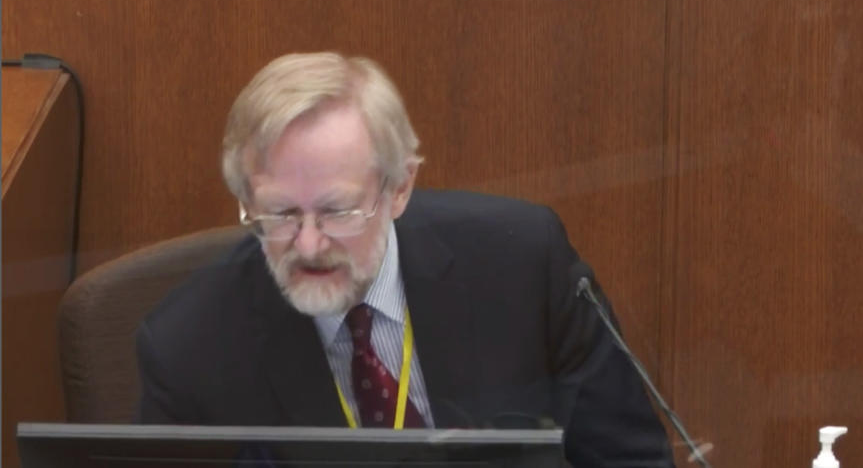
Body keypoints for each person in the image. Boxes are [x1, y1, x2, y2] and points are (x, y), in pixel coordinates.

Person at [136, 52, 674, 466]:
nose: (308, 244)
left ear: (399, 188)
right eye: (278, 214)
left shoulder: (522, 266)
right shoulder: (190, 345)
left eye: (338, 211)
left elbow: (630, 459)